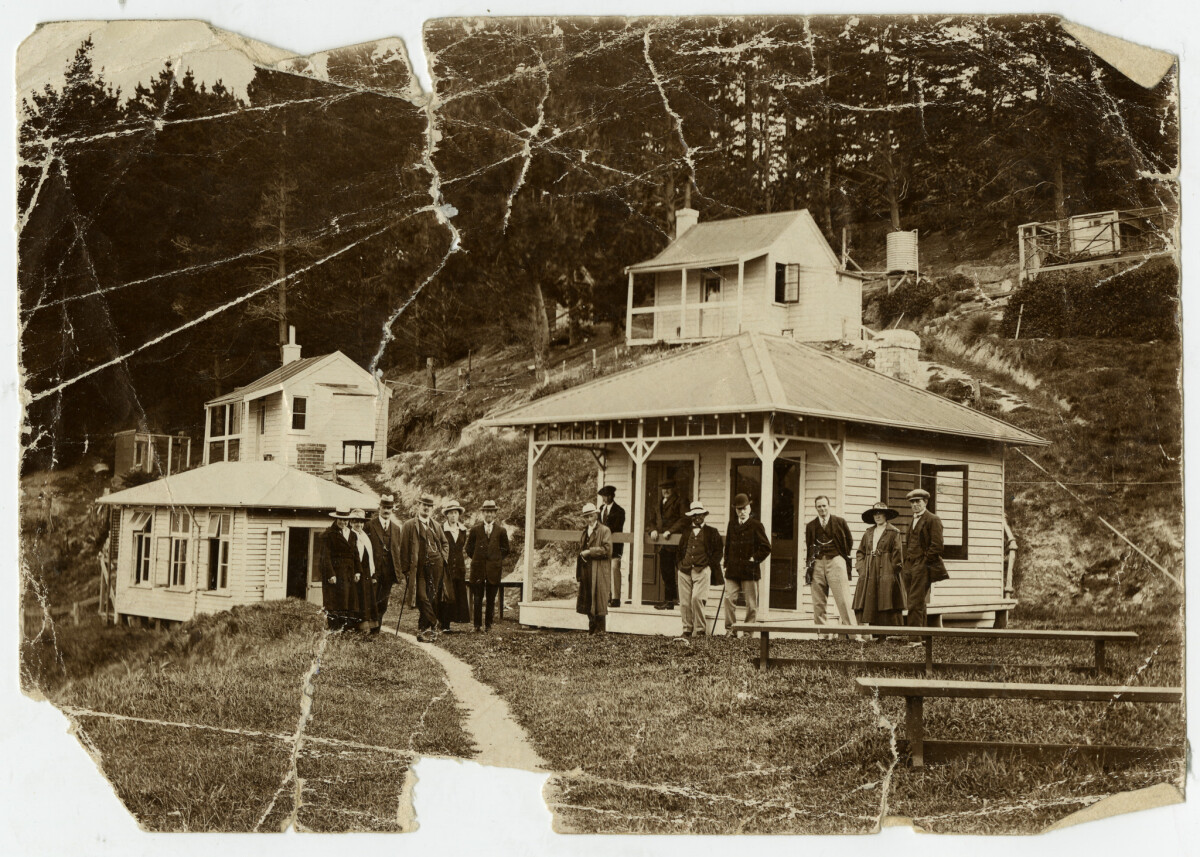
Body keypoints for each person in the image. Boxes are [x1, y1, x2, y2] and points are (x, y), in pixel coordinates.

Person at [399, 495, 449, 643]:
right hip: (418, 569)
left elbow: (445, 543)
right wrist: (406, 570)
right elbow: (403, 549)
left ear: (432, 508)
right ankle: (434, 623)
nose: (426, 508)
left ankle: (422, 630)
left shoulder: (436, 525)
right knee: (422, 597)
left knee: (431, 598)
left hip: (435, 568)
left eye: (429, 506)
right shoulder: (409, 525)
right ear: (418, 506)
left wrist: (442, 558)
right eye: (424, 505)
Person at [852, 502, 906, 640]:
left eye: (880, 513)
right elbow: (860, 552)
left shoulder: (894, 532)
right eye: (875, 514)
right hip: (869, 570)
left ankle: (888, 636)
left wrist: (891, 571)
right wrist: (861, 568)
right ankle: (876, 635)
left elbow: (898, 555)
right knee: (871, 600)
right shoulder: (868, 532)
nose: (877, 516)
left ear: (886, 515)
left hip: (887, 570)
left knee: (886, 600)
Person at [804, 495, 855, 637]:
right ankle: (823, 635)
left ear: (829, 506)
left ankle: (853, 635)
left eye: (824, 506)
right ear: (816, 508)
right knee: (818, 602)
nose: (822, 509)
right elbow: (809, 545)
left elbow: (849, 541)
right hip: (817, 563)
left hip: (836, 561)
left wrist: (840, 557)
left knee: (844, 599)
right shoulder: (811, 526)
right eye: (819, 506)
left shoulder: (840, 522)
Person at [722, 494, 772, 637]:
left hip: (749, 570)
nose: (742, 512)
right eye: (739, 509)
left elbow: (766, 547)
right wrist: (726, 563)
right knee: (729, 599)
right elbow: (728, 545)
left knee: (751, 603)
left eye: (744, 508)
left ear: (749, 508)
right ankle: (730, 630)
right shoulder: (732, 524)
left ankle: (748, 633)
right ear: (735, 510)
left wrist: (754, 558)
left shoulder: (756, 525)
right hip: (732, 569)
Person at [674, 501, 723, 638]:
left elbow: (718, 552)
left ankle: (700, 629)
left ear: (704, 515)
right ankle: (687, 629)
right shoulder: (686, 531)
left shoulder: (712, 532)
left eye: (700, 515)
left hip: (702, 570)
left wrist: (708, 565)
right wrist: (680, 564)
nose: (697, 518)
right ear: (692, 517)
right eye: (694, 515)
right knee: (684, 602)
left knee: (697, 598)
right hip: (684, 570)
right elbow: (680, 550)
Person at [902, 487, 948, 629]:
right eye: (912, 502)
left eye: (918, 501)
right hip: (910, 565)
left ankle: (914, 637)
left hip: (922, 565)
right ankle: (923, 636)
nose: (915, 504)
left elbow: (937, 546)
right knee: (918, 601)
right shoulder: (913, 520)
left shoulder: (933, 519)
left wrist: (924, 562)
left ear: (925, 502)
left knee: (914, 602)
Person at [466, 500, 510, 632]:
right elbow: (469, 549)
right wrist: (478, 559)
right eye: (486, 511)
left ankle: (488, 625)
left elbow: (506, 549)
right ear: (483, 513)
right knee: (477, 597)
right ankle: (477, 625)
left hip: (494, 570)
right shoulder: (475, 530)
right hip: (478, 569)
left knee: (491, 598)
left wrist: (495, 560)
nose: (489, 514)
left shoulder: (501, 531)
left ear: (495, 514)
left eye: (491, 512)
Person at [316, 508, 360, 631]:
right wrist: (331, 574)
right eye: (340, 519)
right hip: (335, 574)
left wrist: (358, 571)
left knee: (348, 601)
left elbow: (355, 554)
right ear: (336, 519)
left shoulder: (352, 535)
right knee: (335, 602)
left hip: (349, 573)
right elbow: (325, 557)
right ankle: (334, 630)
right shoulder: (328, 534)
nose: (343, 522)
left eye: (346, 520)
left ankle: (345, 630)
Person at [366, 494, 402, 633]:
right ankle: (369, 628)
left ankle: (376, 629)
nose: (386, 510)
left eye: (389, 508)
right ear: (379, 508)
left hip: (389, 572)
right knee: (372, 599)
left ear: (392, 510)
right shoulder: (370, 525)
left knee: (383, 602)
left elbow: (397, 551)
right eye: (384, 507)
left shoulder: (396, 529)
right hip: (373, 570)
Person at [575, 503, 613, 634]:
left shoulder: (605, 530)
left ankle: (600, 630)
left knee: (599, 598)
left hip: (599, 569)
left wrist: (590, 552)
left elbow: (607, 550)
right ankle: (592, 628)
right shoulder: (585, 532)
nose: (589, 519)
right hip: (586, 568)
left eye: (591, 516)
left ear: (596, 515)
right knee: (587, 598)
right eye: (586, 517)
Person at [650, 479, 686, 610]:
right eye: (663, 488)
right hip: (663, 545)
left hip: (677, 544)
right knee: (666, 573)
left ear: (674, 489)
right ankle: (669, 601)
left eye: (668, 488)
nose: (665, 491)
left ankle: (684, 602)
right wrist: (653, 530)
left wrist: (671, 531)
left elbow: (684, 519)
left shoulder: (681, 501)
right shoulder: (658, 503)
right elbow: (652, 521)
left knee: (683, 573)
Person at [440, 500, 471, 632]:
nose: (453, 515)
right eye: (451, 513)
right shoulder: (441, 529)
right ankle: (444, 624)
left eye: (456, 513)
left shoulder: (463, 530)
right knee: (446, 594)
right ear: (447, 515)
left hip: (459, 566)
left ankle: (454, 620)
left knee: (458, 594)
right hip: (446, 566)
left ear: (459, 515)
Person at [347, 509, 380, 633]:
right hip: (357, 572)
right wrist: (356, 571)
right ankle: (357, 627)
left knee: (366, 598)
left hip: (366, 572)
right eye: (356, 522)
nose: (358, 525)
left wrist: (372, 573)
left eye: (361, 522)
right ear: (351, 522)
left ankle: (368, 626)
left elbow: (369, 555)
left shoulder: (364, 536)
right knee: (357, 598)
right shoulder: (350, 536)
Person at [597, 485, 626, 608]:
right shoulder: (601, 509)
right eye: (603, 496)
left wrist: (602, 531)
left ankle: (616, 598)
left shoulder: (619, 511)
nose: (604, 498)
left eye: (606, 496)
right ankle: (606, 597)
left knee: (614, 568)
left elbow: (615, 527)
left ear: (611, 496)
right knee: (604, 570)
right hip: (603, 546)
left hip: (615, 546)